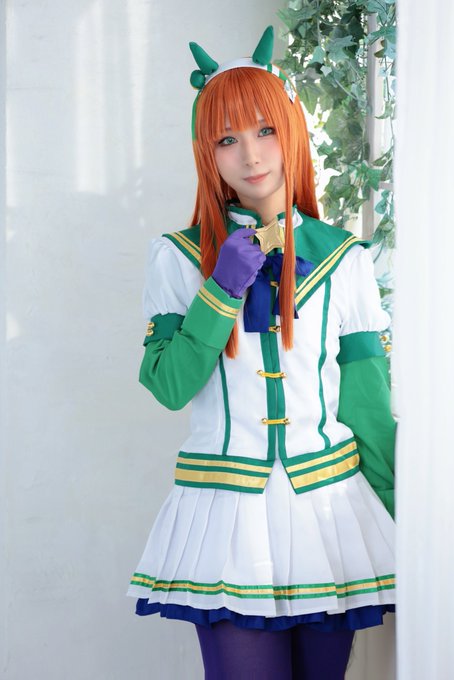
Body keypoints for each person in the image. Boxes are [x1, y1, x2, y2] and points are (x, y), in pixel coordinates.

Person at [127, 26, 396, 680]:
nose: (250, 154)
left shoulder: (345, 259)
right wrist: (220, 291)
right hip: (228, 518)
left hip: (330, 514)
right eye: (227, 139)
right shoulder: (178, 258)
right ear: (207, 152)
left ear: (292, 131)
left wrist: (402, 516)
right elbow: (168, 385)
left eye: (265, 130)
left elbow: (367, 406)